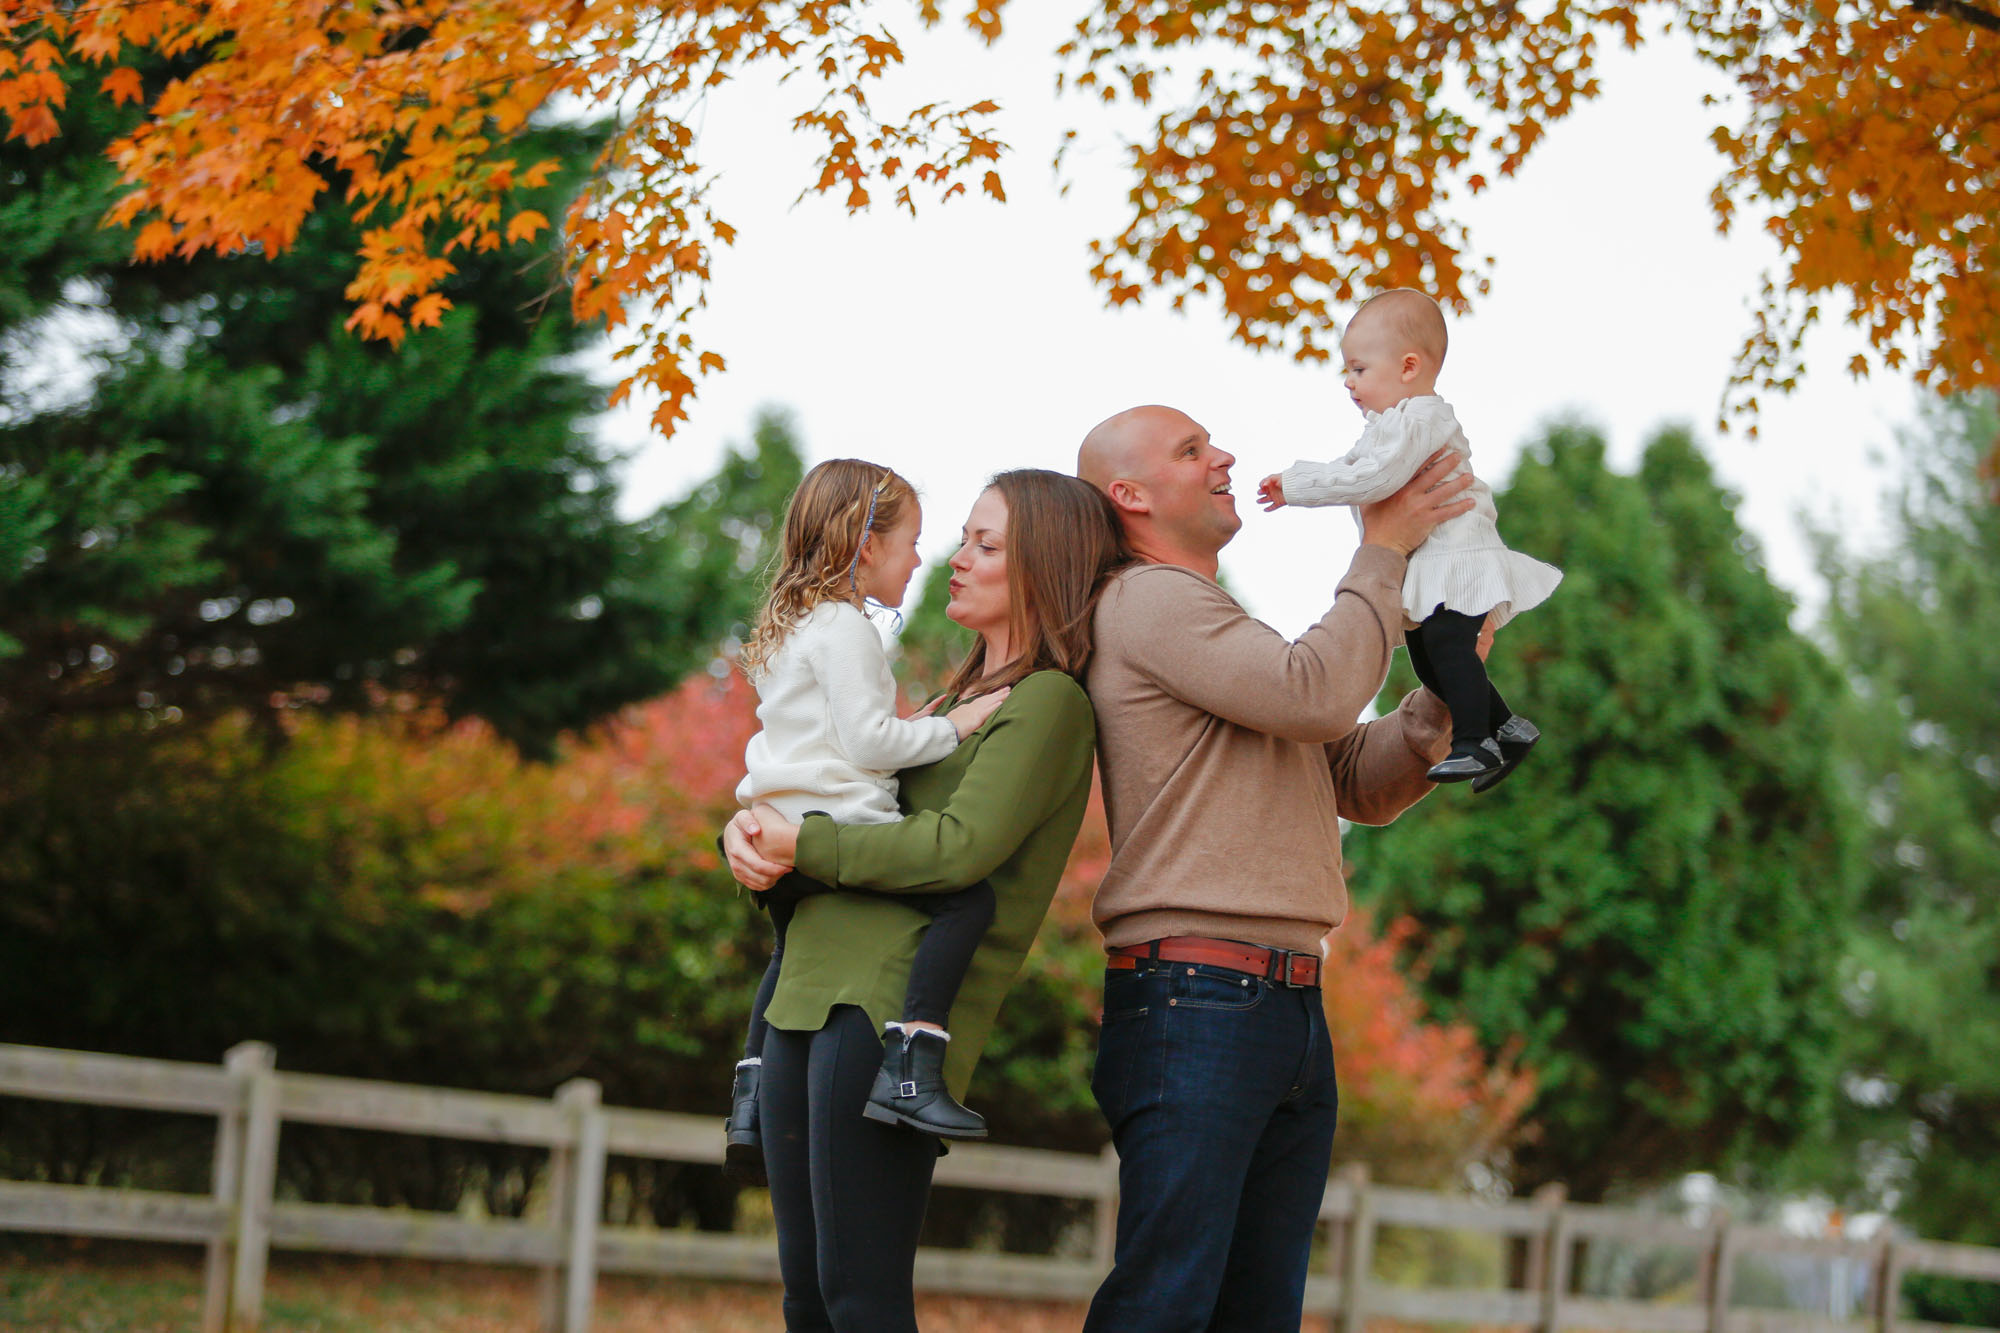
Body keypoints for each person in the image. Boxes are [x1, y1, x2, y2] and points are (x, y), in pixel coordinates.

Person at [1075, 403, 1479, 1332]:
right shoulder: (1146, 600)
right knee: (1164, 1303)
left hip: (1276, 1002)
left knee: (1254, 1310)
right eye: (1192, 449)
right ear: (1129, 495)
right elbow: (1318, 689)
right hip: (1199, 999)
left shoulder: (1213, 621)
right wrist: (1380, 546)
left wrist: (1442, 697)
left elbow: (1346, 777)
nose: (1223, 456)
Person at [722, 469, 1128, 1333]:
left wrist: (808, 843)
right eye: (961, 538)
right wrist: (749, 835)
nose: (955, 557)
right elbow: (826, 795)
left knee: (861, 1300)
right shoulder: (948, 705)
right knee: (809, 1301)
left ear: (1041, 568)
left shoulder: (1047, 702)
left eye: (986, 544)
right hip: (804, 992)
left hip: (883, 1005)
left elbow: (956, 853)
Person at [725, 460, 1018, 1181]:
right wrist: (960, 724)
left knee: (788, 945)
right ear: (864, 544)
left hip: (780, 817)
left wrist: (908, 724)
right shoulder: (846, 627)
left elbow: (831, 733)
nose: (923, 558)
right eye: (912, 541)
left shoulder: (791, 625)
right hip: (837, 823)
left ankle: (751, 1088)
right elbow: (868, 744)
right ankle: (914, 1064)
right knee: (968, 897)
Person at [1257, 288, 1562, 790]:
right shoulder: (1387, 426)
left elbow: (1376, 479)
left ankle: (1473, 743)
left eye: (1358, 369)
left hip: (1457, 556)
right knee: (1427, 655)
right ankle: (1508, 728)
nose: (1349, 384)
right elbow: (1354, 466)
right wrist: (1301, 477)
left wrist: (1298, 487)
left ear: (1408, 368)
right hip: (1430, 562)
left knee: (1447, 644)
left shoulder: (1424, 418)